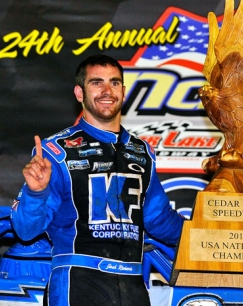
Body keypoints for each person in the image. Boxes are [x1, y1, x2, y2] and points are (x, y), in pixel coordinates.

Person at [11, 54, 185, 306]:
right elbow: (26, 230)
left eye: (114, 83)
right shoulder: (55, 152)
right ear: (79, 93)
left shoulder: (142, 152)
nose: (107, 91)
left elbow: (159, 219)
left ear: (123, 91)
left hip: (133, 287)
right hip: (78, 284)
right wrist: (35, 193)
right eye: (96, 83)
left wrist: (205, 236)